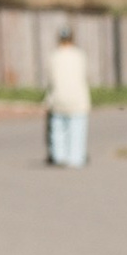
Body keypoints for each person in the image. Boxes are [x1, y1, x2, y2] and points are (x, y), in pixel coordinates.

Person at [44, 33, 92, 170]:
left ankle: (59, 156)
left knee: (58, 130)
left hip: (58, 97)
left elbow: (51, 78)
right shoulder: (79, 55)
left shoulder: (54, 56)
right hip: (78, 98)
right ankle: (76, 158)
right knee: (77, 130)